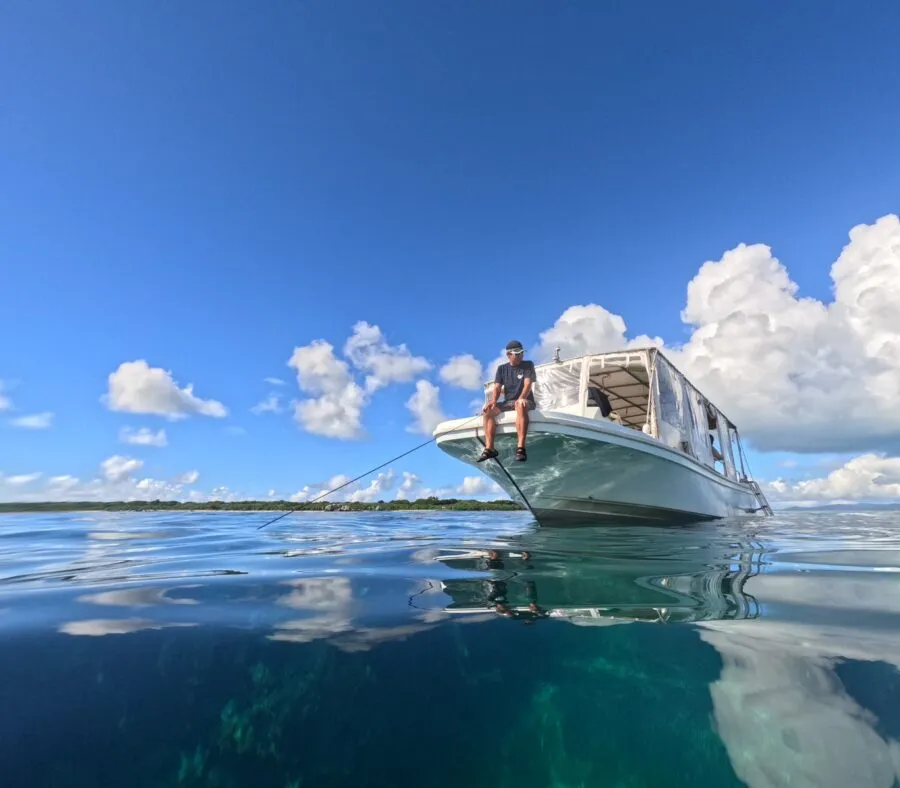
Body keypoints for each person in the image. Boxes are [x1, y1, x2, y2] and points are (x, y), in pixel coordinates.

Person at [477, 340, 536, 463]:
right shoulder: (502, 369)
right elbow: (497, 387)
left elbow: (527, 384)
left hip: (525, 401)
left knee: (520, 404)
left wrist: (521, 398)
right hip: (508, 402)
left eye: (521, 353)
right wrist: (493, 401)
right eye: (517, 354)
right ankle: (490, 448)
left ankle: (521, 448)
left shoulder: (528, 365)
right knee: (487, 411)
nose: (520, 356)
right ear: (508, 354)